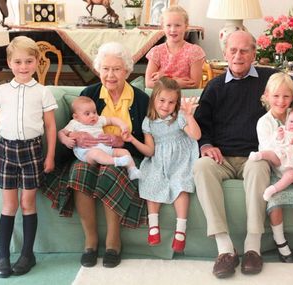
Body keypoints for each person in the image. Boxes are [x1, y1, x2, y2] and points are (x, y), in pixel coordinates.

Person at [193, 30, 293, 279]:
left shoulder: (270, 79)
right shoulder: (214, 87)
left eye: (245, 50)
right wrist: (205, 145)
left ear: (254, 54)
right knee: (201, 167)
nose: (238, 55)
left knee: (259, 167)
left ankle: (252, 248)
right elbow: (201, 125)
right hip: (220, 158)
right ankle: (224, 249)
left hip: (253, 157)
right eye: (233, 50)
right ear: (224, 53)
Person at [56, 42, 149, 268]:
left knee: (111, 171)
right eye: (105, 68)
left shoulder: (141, 99)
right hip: (87, 154)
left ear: (127, 70)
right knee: (79, 171)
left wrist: (123, 140)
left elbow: (147, 140)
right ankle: (90, 240)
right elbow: (73, 127)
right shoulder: (89, 94)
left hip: (124, 154)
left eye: (116, 69)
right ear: (99, 69)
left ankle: (113, 241)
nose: (110, 74)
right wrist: (75, 138)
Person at [0, 36, 57, 278]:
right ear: (9, 62)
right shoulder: (1, 90)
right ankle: (3, 255)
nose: (23, 66)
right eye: (18, 61)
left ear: (37, 62)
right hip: (6, 152)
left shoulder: (43, 92)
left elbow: (50, 127)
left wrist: (50, 156)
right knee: (9, 205)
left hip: (32, 152)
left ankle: (28, 254)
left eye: (29, 61)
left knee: (27, 203)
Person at [123, 76, 201, 252]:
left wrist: (189, 115)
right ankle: (153, 227)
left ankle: (181, 231)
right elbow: (150, 151)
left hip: (181, 160)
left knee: (181, 185)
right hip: (158, 159)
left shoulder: (179, 117)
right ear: (154, 99)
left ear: (177, 104)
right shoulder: (148, 122)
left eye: (171, 102)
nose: (166, 106)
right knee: (151, 180)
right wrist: (132, 140)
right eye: (162, 100)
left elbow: (196, 136)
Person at [248, 73, 293, 266]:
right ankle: (281, 242)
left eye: (286, 96)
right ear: (266, 96)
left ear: (292, 97)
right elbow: (267, 149)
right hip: (277, 171)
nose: (281, 101)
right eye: (276, 96)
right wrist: (282, 139)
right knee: (273, 202)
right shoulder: (265, 122)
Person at [58, 96, 140, 180]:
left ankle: (132, 170)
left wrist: (122, 125)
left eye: (94, 112)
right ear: (76, 117)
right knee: (96, 153)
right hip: (87, 153)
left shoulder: (98, 120)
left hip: (105, 148)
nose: (92, 116)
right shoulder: (74, 123)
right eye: (87, 114)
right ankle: (116, 161)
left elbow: (111, 120)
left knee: (124, 152)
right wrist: (65, 140)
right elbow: (61, 132)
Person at [145, 5, 205, 89]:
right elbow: (148, 83)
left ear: (186, 26)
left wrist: (164, 79)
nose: (173, 29)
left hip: (186, 99)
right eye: (168, 25)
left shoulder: (194, 52)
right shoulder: (156, 52)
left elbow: (194, 84)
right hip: (162, 100)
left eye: (177, 25)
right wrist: (175, 82)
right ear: (163, 26)